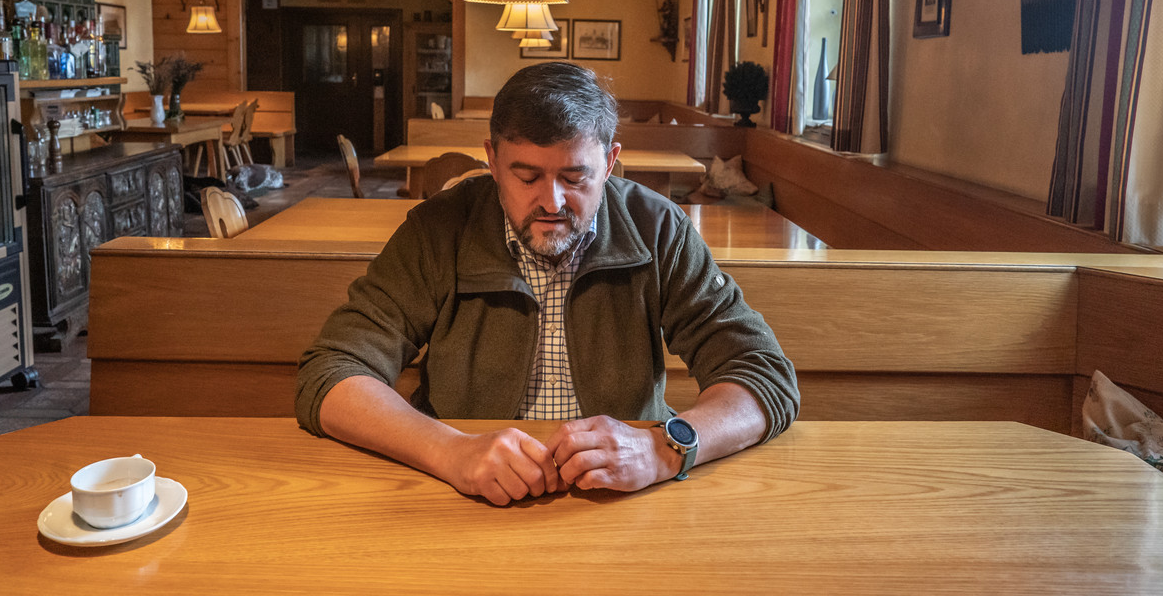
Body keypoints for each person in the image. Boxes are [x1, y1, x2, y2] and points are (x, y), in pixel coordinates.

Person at [296, 61, 799, 505]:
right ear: (492, 160)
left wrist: (663, 449)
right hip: (458, 497)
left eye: (576, 178)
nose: (553, 202)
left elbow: (762, 373)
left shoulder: (658, 228)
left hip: (623, 500)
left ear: (610, 161)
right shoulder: (437, 230)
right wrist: (449, 450)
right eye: (527, 176)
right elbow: (332, 371)